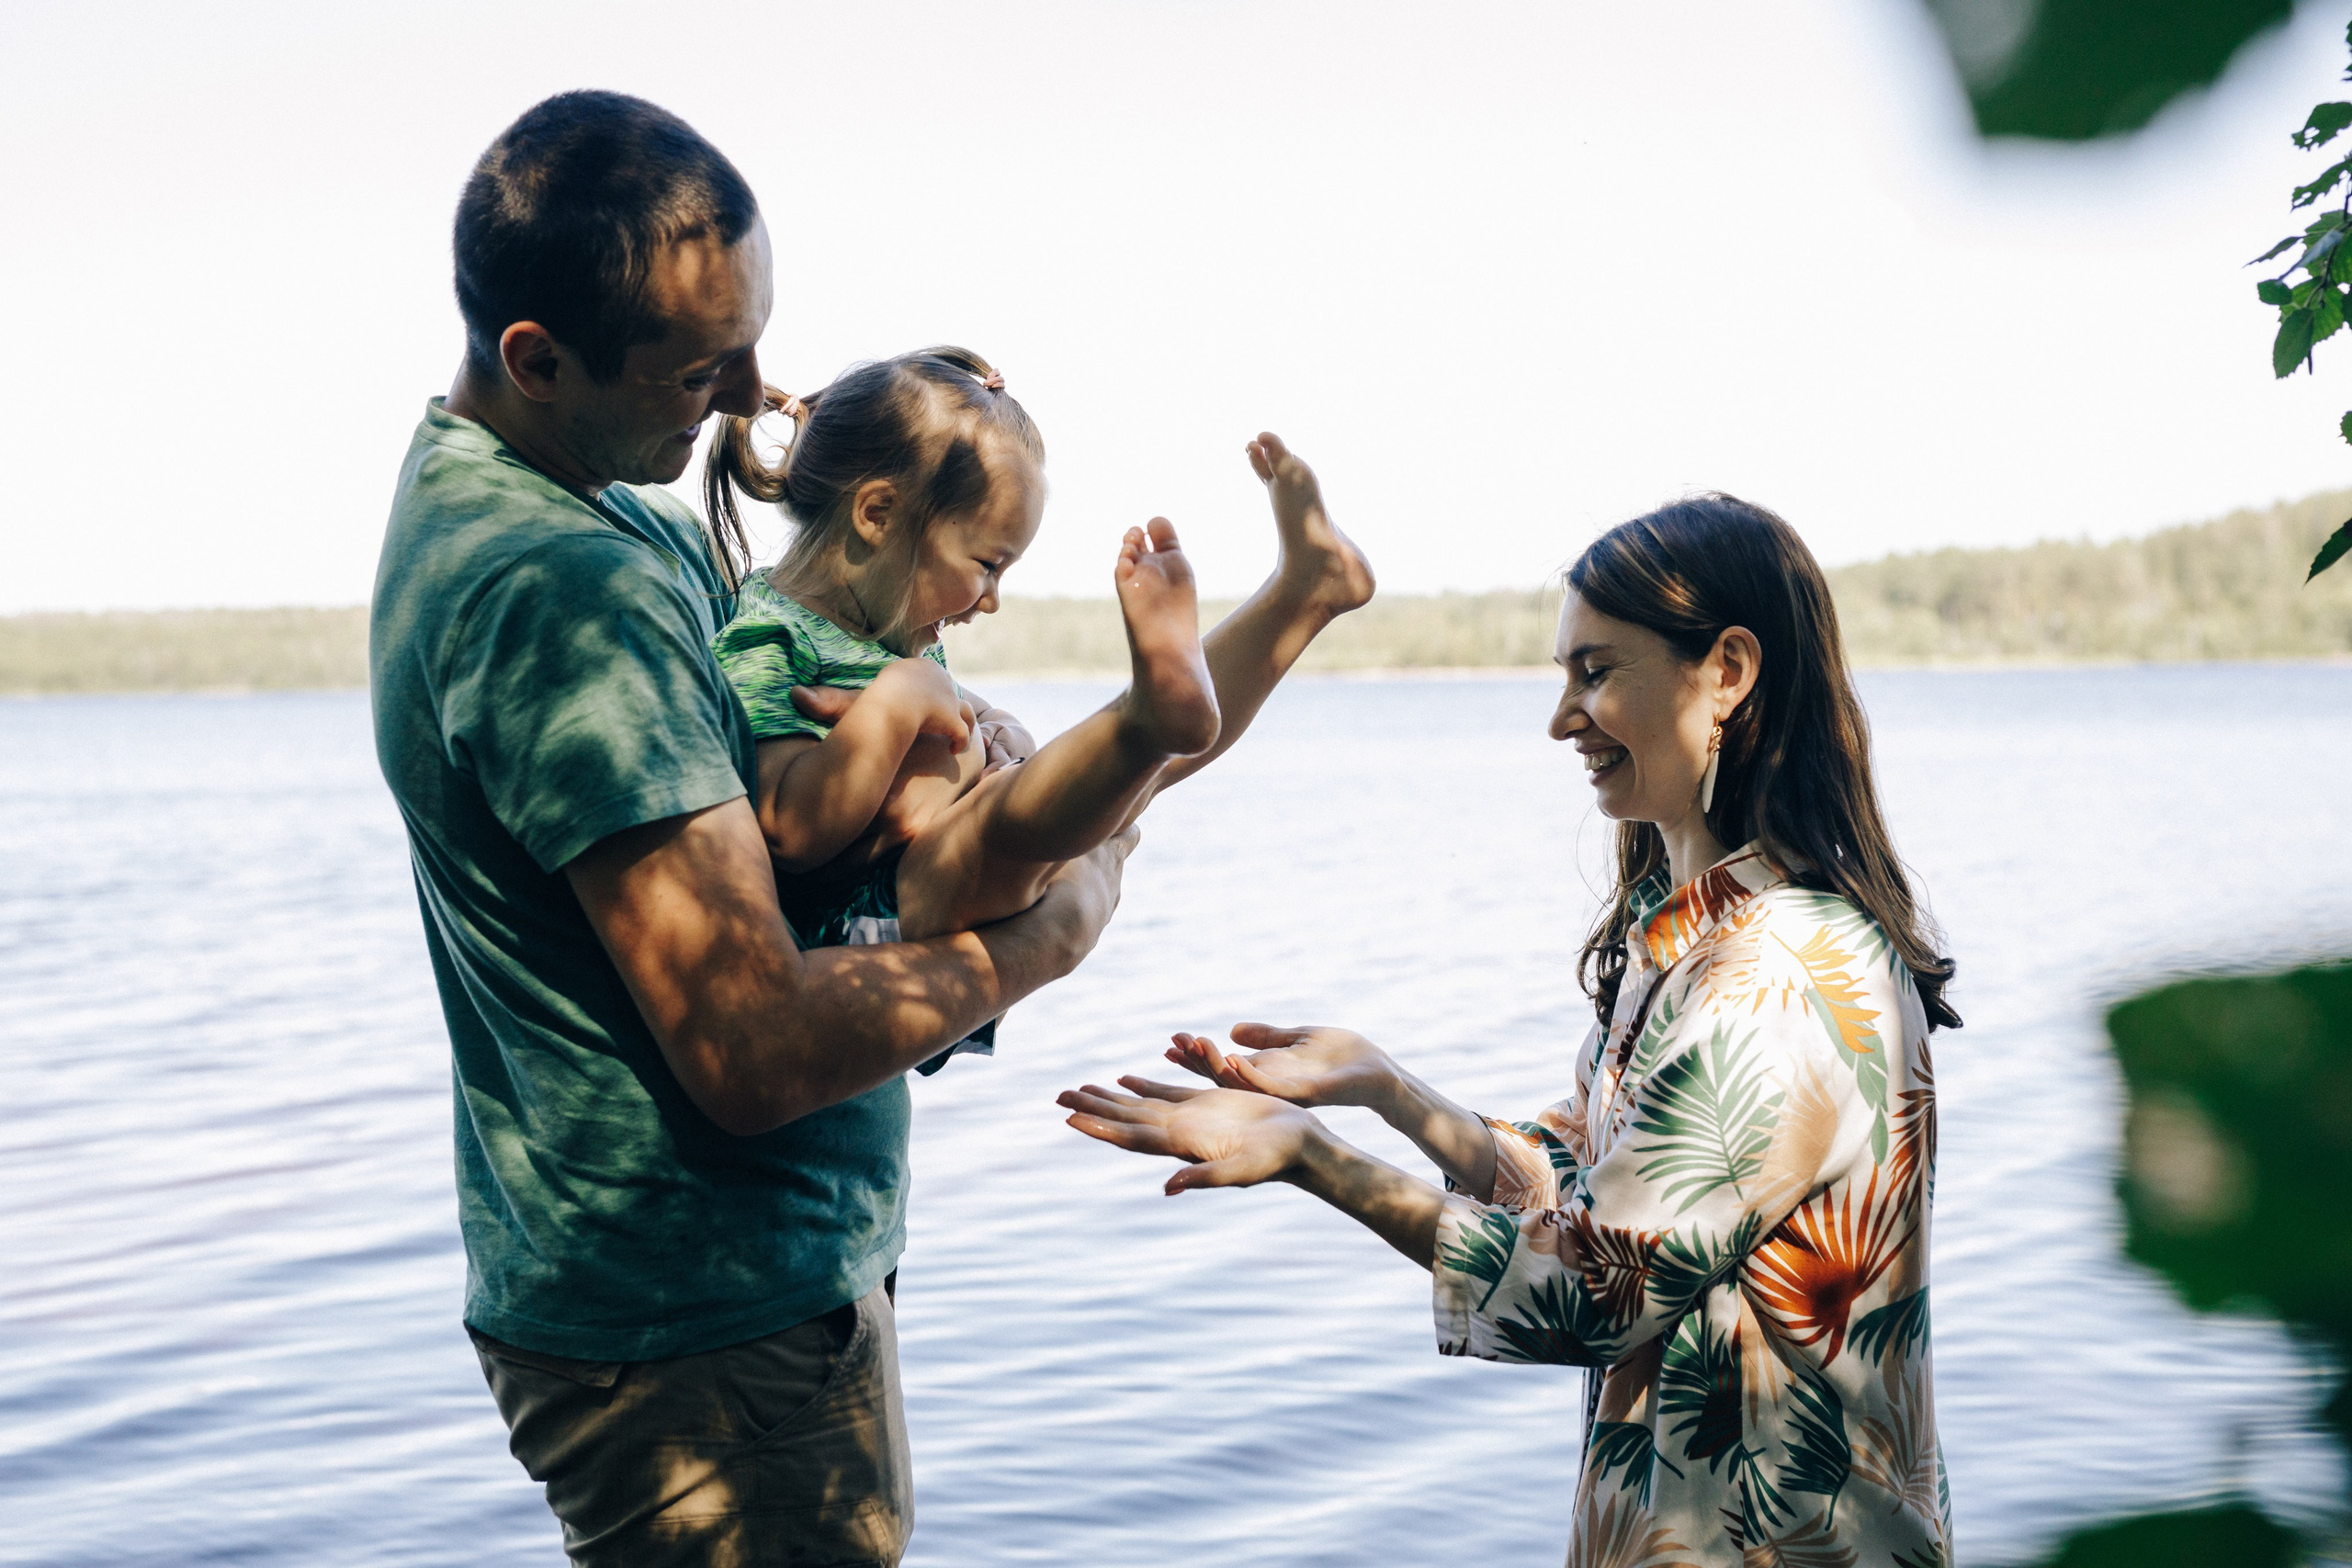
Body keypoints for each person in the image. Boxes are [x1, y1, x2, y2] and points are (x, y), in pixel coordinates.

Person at [370, 91, 1134, 1566]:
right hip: (703, 1341)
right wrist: (1049, 935)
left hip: (699, 1309)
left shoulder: (588, 509)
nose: (748, 395)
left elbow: (816, 690)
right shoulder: (559, 587)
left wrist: (967, 739)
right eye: (706, 364)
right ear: (536, 357)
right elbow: (754, 1044)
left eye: (758, 342)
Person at [1058, 495, 1960, 1565]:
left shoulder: (1781, 974)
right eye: (1562, 675)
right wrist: (1390, 1092)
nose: (1561, 718)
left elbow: (1591, 1288)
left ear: (1727, 670)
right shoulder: (1690, 937)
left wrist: (1313, 1159)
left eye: (1595, 672)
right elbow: (1590, 1189)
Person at [699, 351, 1372, 1055]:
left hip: (923, 881)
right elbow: (789, 830)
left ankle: (1301, 596)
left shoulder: (881, 629)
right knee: (1011, 821)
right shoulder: (768, 639)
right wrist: (900, 703)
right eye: (987, 565)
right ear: (877, 513)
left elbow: (949, 720)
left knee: (1126, 774)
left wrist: (988, 725)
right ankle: (1154, 714)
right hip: (852, 934)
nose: (990, 601)